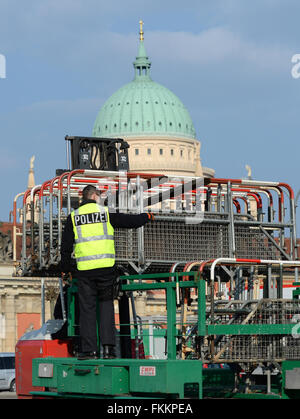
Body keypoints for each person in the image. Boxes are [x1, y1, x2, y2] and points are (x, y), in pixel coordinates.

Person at [60, 184, 153, 360]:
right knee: (106, 307)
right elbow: (128, 221)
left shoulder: (73, 217)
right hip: (105, 269)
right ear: (94, 196)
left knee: (87, 310)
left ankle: (89, 351)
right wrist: (146, 217)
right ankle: (109, 349)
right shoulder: (105, 213)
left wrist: (66, 269)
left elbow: (65, 247)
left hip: (85, 271)